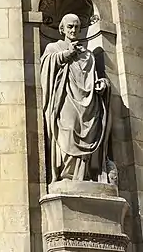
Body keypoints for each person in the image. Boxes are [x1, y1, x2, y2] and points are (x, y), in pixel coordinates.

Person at [40, 14, 112, 183]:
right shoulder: (54, 48)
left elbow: (92, 78)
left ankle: (84, 175)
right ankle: (67, 175)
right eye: (70, 27)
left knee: (87, 133)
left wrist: (102, 85)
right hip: (65, 100)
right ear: (62, 29)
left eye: (77, 27)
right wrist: (66, 55)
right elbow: (46, 68)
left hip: (88, 103)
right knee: (69, 129)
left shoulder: (87, 55)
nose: (73, 30)